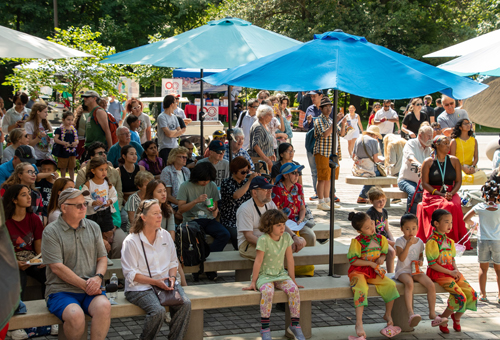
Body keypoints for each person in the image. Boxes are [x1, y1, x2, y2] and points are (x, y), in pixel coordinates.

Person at [41, 188, 111, 340]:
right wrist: (87, 285)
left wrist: (98, 277)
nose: (84, 208)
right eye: (78, 205)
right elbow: (57, 267)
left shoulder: (93, 227)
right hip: (60, 290)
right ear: (64, 208)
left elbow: (102, 258)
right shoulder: (51, 231)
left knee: (104, 307)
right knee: (75, 315)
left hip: (90, 288)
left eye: (85, 204)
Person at [121, 200, 191, 340]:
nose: (160, 216)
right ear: (143, 217)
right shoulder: (131, 241)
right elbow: (130, 274)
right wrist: (155, 282)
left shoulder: (165, 235)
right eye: (155, 213)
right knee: (157, 311)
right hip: (140, 288)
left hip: (165, 283)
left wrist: (171, 277)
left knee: (185, 304)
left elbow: (173, 261)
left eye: (160, 213)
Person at [242, 209, 306, 340]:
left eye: (283, 224)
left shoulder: (287, 238)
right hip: (264, 275)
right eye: (278, 225)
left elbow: (290, 260)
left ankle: (295, 325)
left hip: (280, 274)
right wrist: (253, 281)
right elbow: (258, 262)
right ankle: (265, 328)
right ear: (269, 226)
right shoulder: (263, 240)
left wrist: (293, 280)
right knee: (268, 292)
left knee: (293, 290)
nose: (282, 228)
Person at [346, 211, 401, 340]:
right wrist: (370, 264)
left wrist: (382, 258)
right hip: (358, 271)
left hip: (373, 272)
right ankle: (359, 323)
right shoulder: (357, 242)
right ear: (360, 231)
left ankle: (388, 314)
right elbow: (353, 260)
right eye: (367, 228)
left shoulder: (380, 238)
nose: (371, 228)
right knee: (361, 289)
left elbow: (384, 252)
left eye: (371, 223)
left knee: (390, 284)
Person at [426, 209, 477, 334]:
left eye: (451, 222)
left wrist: (456, 270)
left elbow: (452, 259)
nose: (450, 225)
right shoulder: (432, 242)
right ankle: (443, 318)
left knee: (472, 294)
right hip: (440, 274)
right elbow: (432, 264)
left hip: (451, 272)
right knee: (460, 296)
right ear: (436, 223)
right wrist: (450, 273)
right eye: (446, 222)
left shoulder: (449, 241)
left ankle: (457, 317)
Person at [177, 162, 231, 279]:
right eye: (203, 180)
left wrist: (213, 208)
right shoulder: (185, 186)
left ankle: (205, 263)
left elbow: (215, 204)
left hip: (208, 218)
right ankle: (205, 268)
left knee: (225, 234)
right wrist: (195, 201)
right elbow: (181, 209)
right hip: (191, 220)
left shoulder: (211, 185)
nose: (205, 183)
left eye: (207, 180)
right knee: (198, 238)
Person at [417, 135, 471, 249]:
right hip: (433, 193)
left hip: (451, 191)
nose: (448, 146)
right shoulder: (428, 162)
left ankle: (454, 239)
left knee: (455, 204)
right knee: (445, 205)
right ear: (437, 145)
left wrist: (451, 193)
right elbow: (425, 183)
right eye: (445, 143)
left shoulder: (454, 160)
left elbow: (458, 181)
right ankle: (438, 237)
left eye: (448, 143)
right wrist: (439, 194)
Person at [394, 213, 446, 328]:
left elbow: (421, 256)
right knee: (409, 283)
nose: (410, 231)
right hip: (403, 270)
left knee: (431, 285)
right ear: (402, 229)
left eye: (413, 228)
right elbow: (401, 258)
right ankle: (410, 313)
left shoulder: (420, 242)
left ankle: (432, 313)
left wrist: (421, 260)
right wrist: (408, 245)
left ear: (417, 228)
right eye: (407, 229)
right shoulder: (400, 241)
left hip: (415, 270)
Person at [237, 177, 306, 260]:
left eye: (270, 188)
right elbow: (248, 236)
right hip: (248, 244)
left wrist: (294, 237)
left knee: (298, 243)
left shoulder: (269, 203)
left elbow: (282, 224)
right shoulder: (245, 209)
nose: (270, 191)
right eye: (265, 189)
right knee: (273, 254)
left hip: (268, 239)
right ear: (254, 192)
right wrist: (271, 245)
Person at [464, 181, 500, 302]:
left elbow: (466, 219)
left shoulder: (479, 207)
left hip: (483, 240)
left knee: (483, 269)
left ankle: (483, 295)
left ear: (483, 194)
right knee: (498, 270)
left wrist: (475, 224)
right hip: (497, 241)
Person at [272, 163, 316, 247]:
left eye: (298, 172)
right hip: (282, 224)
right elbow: (276, 212)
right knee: (290, 241)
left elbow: (303, 208)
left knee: (311, 236)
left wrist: (300, 220)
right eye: (294, 173)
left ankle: (308, 259)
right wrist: (286, 223)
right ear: (285, 175)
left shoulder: (298, 187)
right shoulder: (276, 189)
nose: (297, 175)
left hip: (297, 223)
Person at [220, 157, 258, 249]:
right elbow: (236, 195)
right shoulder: (226, 183)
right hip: (230, 220)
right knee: (238, 236)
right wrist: (249, 181)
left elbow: (255, 198)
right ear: (234, 171)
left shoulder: (247, 183)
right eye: (243, 172)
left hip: (246, 218)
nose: (245, 174)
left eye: (247, 171)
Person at [397, 125, 433, 214]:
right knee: (414, 193)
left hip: (423, 182)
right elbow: (410, 157)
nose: (430, 138)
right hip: (407, 180)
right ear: (420, 135)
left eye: (431, 136)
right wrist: (421, 166)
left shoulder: (429, 149)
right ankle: (410, 218)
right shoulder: (411, 143)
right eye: (428, 136)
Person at [365, 187, 396, 273]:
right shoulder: (371, 213)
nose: (382, 203)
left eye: (383, 200)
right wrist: (391, 243)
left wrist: (393, 240)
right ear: (371, 201)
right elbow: (373, 234)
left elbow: (387, 229)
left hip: (384, 238)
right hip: (375, 239)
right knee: (391, 252)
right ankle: (390, 273)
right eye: (378, 201)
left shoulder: (384, 211)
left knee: (400, 248)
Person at [450, 118, 487, 185]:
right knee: (463, 178)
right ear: (460, 127)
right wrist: (463, 168)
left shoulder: (474, 140)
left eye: (469, 123)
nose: (468, 125)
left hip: (471, 168)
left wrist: (472, 167)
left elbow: (476, 157)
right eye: (465, 123)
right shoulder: (454, 141)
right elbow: (452, 159)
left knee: (483, 177)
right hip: (458, 168)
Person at [313, 96, 335, 210]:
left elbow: (340, 133)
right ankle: (320, 201)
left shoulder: (331, 120)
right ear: (321, 108)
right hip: (322, 152)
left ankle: (328, 200)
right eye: (326, 107)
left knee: (329, 177)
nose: (328, 109)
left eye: (330, 106)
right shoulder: (318, 120)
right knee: (321, 178)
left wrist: (344, 122)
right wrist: (334, 123)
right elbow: (325, 134)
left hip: (331, 153)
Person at [352, 125, 383, 204]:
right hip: (369, 169)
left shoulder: (358, 139)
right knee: (380, 174)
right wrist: (383, 160)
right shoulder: (374, 141)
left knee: (372, 175)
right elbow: (375, 159)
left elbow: (353, 156)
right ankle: (363, 196)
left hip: (358, 170)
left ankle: (366, 196)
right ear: (375, 135)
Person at [160, 147, 191, 213]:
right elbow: (168, 196)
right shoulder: (167, 171)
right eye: (182, 157)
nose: (185, 159)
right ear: (174, 157)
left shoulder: (186, 170)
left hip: (187, 204)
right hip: (174, 205)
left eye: (186, 157)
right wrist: (183, 204)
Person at [157, 95, 184, 164]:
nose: (176, 104)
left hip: (175, 147)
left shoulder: (174, 117)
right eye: (175, 102)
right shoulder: (161, 117)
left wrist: (173, 132)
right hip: (165, 148)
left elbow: (180, 131)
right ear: (171, 104)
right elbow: (168, 133)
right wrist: (175, 131)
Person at [249, 105, 276, 173]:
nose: (272, 117)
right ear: (262, 115)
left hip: (265, 159)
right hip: (259, 160)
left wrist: (272, 153)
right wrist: (266, 159)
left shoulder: (264, 125)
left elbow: (266, 141)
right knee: (262, 181)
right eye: (269, 115)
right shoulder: (258, 127)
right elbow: (255, 145)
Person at [52, 111, 78, 180]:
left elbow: (77, 139)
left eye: (72, 120)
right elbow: (55, 139)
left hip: (72, 151)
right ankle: (63, 179)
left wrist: (76, 143)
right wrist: (63, 143)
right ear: (63, 120)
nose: (70, 122)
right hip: (62, 151)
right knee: (63, 167)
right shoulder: (59, 130)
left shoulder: (73, 130)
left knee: (71, 167)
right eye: (68, 119)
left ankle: (72, 180)